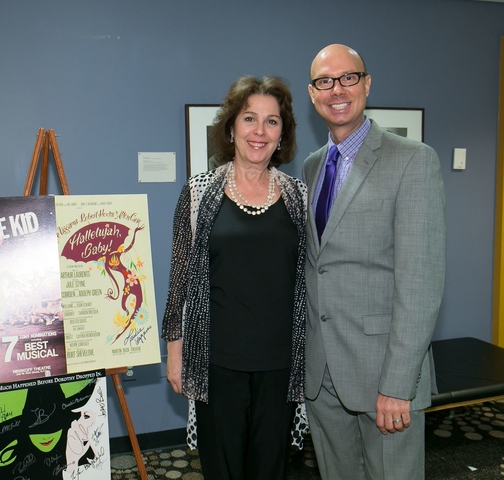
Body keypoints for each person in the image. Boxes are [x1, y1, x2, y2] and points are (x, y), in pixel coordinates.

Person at [302, 44, 446, 479]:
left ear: (367, 84)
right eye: (325, 81)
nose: (337, 89)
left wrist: (397, 386)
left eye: (348, 77)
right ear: (313, 94)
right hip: (322, 374)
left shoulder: (413, 160)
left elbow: (420, 283)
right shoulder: (311, 166)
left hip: (385, 373)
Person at [161, 75, 308, 480]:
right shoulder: (198, 192)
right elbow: (179, 282)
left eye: (272, 121)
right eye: (249, 119)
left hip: (281, 365)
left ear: (283, 133)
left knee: (270, 470)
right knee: (222, 469)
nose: (260, 131)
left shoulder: (299, 196)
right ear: (230, 128)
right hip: (216, 362)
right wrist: (175, 354)